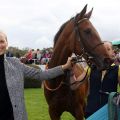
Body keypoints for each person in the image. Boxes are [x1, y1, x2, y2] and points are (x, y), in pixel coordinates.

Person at [0, 31, 73, 120]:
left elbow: (40, 74)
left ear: (7, 43)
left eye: (1, 41)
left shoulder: (15, 63)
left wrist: (64, 67)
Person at [84, 41, 120, 118]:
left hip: (109, 110)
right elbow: (75, 85)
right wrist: (71, 70)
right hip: (91, 110)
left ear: (113, 52)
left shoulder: (117, 69)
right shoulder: (91, 68)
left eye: (108, 49)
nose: (105, 52)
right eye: (102, 50)